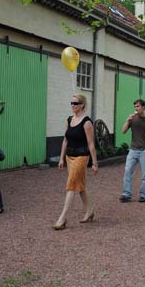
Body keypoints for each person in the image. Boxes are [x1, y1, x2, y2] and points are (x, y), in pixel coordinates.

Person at [53, 94, 99, 229]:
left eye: (76, 103)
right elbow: (65, 139)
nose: (73, 105)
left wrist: (95, 163)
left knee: (71, 185)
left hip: (82, 157)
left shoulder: (87, 122)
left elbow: (91, 144)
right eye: (71, 103)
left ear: (82, 105)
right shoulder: (69, 120)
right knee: (79, 185)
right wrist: (61, 157)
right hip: (69, 157)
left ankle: (62, 219)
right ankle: (90, 211)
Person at [119, 99, 145, 203]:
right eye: (135, 106)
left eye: (138, 106)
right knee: (127, 172)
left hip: (144, 150)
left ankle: (143, 195)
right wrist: (127, 120)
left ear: (143, 107)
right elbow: (123, 131)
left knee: (144, 174)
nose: (136, 108)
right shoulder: (133, 118)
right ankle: (126, 194)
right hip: (133, 149)